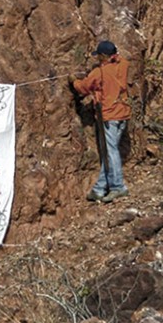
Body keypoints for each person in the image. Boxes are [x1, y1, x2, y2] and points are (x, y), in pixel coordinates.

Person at [70, 40, 132, 203]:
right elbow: (119, 61)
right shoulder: (124, 64)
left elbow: (83, 87)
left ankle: (118, 187)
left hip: (109, 117)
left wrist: (73, 80)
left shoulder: (100, 73)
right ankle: (99, 188)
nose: (97, 59)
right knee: (110, 152)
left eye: (99, 56)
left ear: (104, 56)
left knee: (111, 153)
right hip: (123, 114)